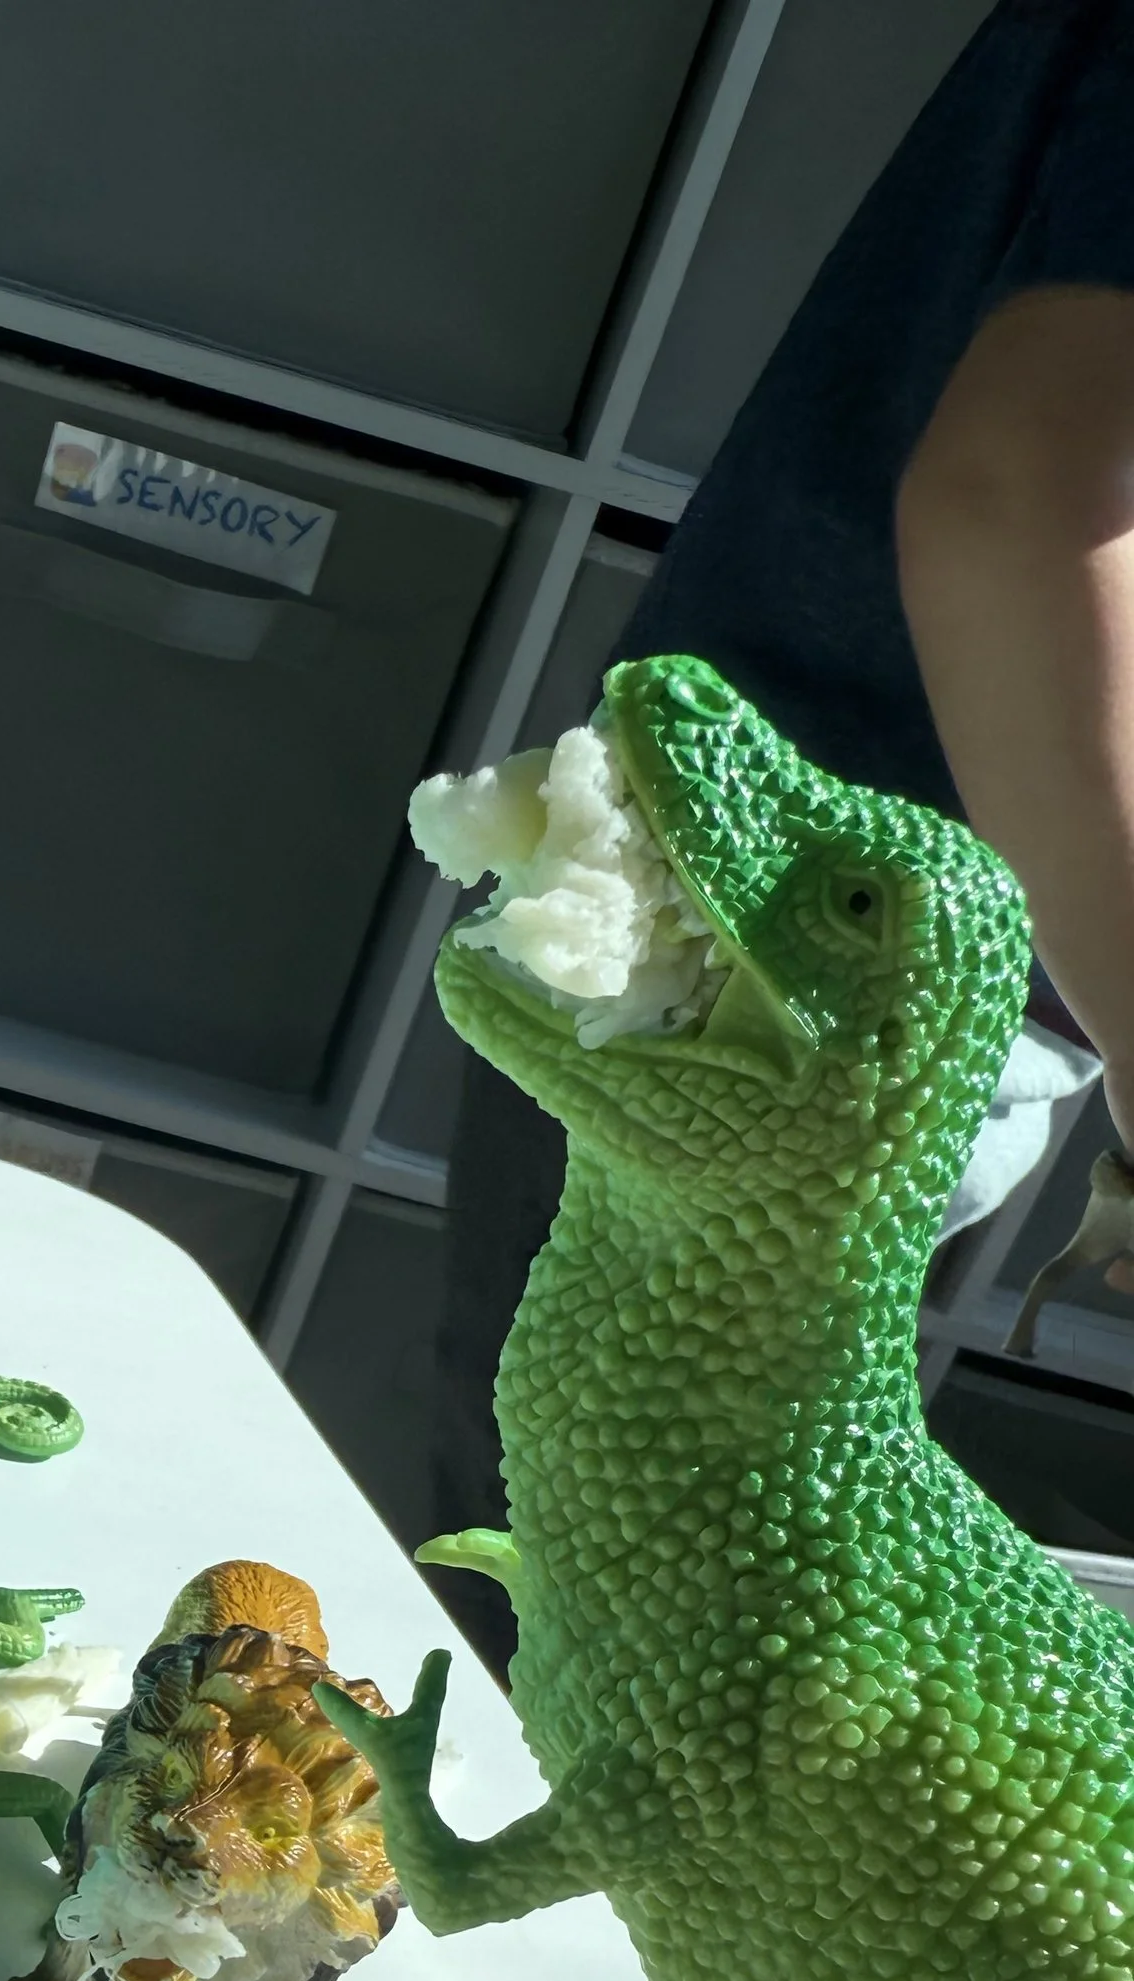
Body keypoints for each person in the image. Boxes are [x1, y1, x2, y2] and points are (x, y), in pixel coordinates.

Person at [430, 0, 1134, 1676]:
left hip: (909, 965)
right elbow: (1014, 512)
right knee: (602, 1667)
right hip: (796, 960)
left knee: (630, 1640)